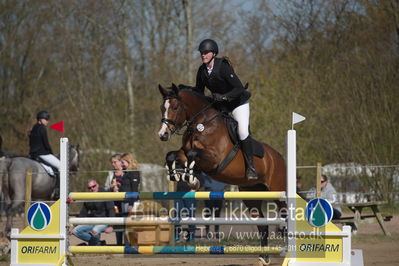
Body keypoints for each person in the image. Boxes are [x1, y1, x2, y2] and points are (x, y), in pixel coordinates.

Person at [194, 39, 257, 180]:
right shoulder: (202, 71)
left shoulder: (223, 66)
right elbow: (199, 91)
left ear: (213, 53)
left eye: (205, 53)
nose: (203, 55)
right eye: (201, 53)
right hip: (221, 106)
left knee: (242, 131)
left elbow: (239, 88)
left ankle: (251, 167)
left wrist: (223, 97)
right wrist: (184, 91)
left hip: (238, 104)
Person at [72, 179, 114, 246]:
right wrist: (74, 224)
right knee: (75, 231)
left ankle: (92, 246)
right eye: (89, 188)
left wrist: (111, 226)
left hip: (104, 221)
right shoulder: (88, 197)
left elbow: (111, 210)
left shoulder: (105, 194)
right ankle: (98, 243)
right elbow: (83, 212)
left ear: (97, 185)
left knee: (95, 230)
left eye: (93, 186)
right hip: (92, 221)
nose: (92, 189)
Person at [29, 111, 60, 176]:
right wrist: (51, 152)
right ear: (40, 119)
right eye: (46, 119)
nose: (47, 121)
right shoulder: (42, 128)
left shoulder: (33, 128)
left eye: (47, 119)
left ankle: (45, 167)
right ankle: (60, 185)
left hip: (33, 154)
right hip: (42, 153)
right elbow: (46, 144)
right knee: (61, 166)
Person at [202, 173, 227, 239]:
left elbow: (226, 179)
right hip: (209, 193)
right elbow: (203, 178)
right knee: (208, 214)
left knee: (217, 214)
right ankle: (207, 232)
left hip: (219, 194)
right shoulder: (207, 169)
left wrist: (223, 187)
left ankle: (217, 232)